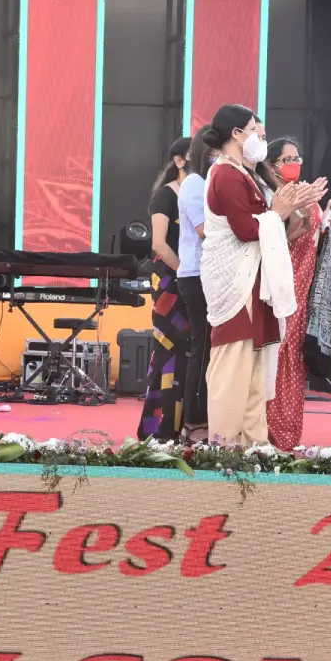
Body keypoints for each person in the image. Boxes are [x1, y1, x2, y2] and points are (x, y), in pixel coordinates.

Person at [200, 104, 327, 445]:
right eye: (257, 131)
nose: (262, 137)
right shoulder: (225, 174)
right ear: (236, 134)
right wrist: (277, 211)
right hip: (237, 286)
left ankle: (255, 445)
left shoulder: (246, 174)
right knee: (234, 370)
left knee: (256, 372)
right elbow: (245, 230)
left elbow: (268, 223)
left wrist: (292, 206)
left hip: (257, 284)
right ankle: (224, 447)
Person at [256, 137, 331, 450]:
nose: (295, 161)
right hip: (283, 280)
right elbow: (284, 237)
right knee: (279, 353)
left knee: (294, 359)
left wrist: (322, 220)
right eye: (287, 158)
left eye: (297, 155)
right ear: (273, 165)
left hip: (304, 283)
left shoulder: (301, 191)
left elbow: (309, 231)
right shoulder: (275, 196)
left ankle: (288, 434)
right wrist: (301, 213)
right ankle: (270, 433)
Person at [137, 137, 193, 439]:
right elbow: (159, 243)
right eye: (195, 157)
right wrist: (185, 271)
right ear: (179, 161)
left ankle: (183, 424)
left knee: (188, 353)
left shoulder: (199, 196)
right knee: (167, 350)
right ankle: (157, 427)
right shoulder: (166, 196)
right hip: (170, 280)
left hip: (192, 280)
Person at [176, 130, 217, 441]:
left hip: (213, 274)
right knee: (199, 350)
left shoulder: (209, 182)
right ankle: (193, 422)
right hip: (195, 275)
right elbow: (205, 230)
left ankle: (206, 417)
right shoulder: (194, 184)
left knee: (210, 350)